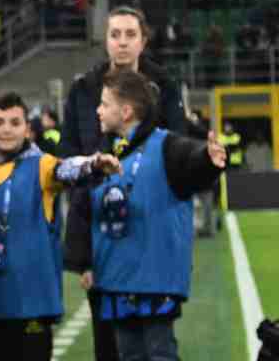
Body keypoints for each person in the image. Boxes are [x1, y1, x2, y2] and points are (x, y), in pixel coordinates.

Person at [59, 5, 185, 361]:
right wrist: (83, 256)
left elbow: (178, 154)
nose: (123, 42)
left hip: (151, 231)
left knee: (155, 343)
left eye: (131, 34)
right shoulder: (83, 90)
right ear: (106, 41)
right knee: (107, 343)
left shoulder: (165, 87)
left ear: (144, 41)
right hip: (99, 229)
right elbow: (68, 160)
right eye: (115, 34)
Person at [86, 69, 225, 361]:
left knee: (159, 352)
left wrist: (207, 161)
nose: (98, 110)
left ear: (125, 112)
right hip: (117, 277)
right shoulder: (105, 154)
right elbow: (87, 209)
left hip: (154, 279)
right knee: (129, 354)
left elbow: (191, 163)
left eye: (104, 104)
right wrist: (82, 261)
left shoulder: (166, 145)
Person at [0, 93, 120, 361]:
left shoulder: (41, 165)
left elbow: (68, 168)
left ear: (27, 129)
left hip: (32, 303)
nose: (6, 129)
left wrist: (95, 163)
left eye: (15, 122)